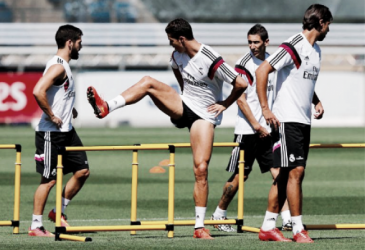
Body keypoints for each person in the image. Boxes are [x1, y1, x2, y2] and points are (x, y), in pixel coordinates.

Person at [87, 18, 247, 239]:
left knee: (201, 168)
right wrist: (181, 97)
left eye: (172, 41)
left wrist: (224, 104)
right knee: (147, 82)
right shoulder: (176, 56)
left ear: (182, 39)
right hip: (183, 105)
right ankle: (107, 107)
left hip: (203, 115)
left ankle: (199, 227)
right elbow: (178, 74)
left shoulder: (209, 57)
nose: (170, 45)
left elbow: (241, 83)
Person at [256, 4, 332, 243]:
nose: (329, 29)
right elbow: (262, 71)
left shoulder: (316, 50)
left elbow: (302, 81)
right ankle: (298, 229)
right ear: (320, 23)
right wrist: (266, 109)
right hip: (286, 119)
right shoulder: (293, 45)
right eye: (328, 24)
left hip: (302, 120)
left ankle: (268, 227)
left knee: (287, 174)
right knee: (296, 172)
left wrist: (316, 100)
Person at [210, 24, 292, 233]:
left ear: (266, 42)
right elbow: (241, 100)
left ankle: (287, 218)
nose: (253, 46)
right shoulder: (243, 64)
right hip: (247, 130)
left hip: (269, 129)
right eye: (250, 42)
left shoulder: (273, 61)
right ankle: (219, 214)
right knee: (240, 176)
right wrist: (256, 125)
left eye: (256, 42)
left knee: (279, 173)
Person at [29, 24, 90, 237]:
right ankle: (35, 226)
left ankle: (58, 212)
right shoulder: (59, 66)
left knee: (82, 171)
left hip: (67, 132)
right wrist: (52, 115)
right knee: (49, 180)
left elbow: (57, 93)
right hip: (51, 133)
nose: (81, 47)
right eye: (80, 43)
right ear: (70, 43)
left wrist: (68, 109)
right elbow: (38, 91)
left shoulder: (63, 65)